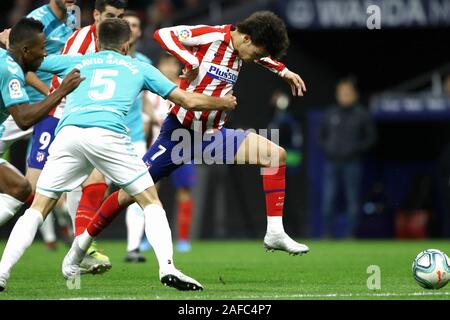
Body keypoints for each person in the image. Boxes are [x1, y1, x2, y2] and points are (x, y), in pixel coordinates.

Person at [0, 18, 236, 292]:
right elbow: (187, 100)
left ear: (98, 42)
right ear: (126, 46)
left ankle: (3, 273)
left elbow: (33, 62)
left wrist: (10, 43)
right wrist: (223, 102)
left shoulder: (78, 60)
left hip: (69, 134)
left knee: (39, 208)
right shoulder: (139, 67)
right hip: (109, 135)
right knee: (150, 202)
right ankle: (167, 267)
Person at [84, 11, 309, 256]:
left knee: (275, 155)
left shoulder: (242, 47)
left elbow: (261, 56)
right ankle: (82, 243)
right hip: (178, 135)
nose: (254, 59)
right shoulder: (210, 36)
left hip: (212, 137)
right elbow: (163, 34)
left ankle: (275, 232)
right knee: (128, 194)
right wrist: (189, 61)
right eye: (255, 53)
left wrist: (284, 71)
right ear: (246, 39)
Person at [0, 0, 77, 250]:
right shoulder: (11, 70)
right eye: (42, 49)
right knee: (23, 187)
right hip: (29, 110)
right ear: (24, 50)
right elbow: (22, 119)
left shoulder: (9, 60)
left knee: (21, 187)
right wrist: (58, 91)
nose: (45, 54)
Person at [146, 53, 197, 253]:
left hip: (182, 148)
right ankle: (145, 238)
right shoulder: (150, 90)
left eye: (172, 64)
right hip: (154, 148)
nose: (168, 68)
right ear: (158, 66)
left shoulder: (186, 89)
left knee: (184, 191)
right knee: (147, 193)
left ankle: (183, 239)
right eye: (164, 63)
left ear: (178, 68)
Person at [318, 77, 376, 238]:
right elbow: (321, 136)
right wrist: (329, 149)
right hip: (332, 162)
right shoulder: (330, 113)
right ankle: (327, 234)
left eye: (348, 93)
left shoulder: (362, 114)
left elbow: (370, 138)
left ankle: (351, 235)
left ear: (355, 95)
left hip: (352, 163)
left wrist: (355, 150)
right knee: (328, 199)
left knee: (353, 201)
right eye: (342, 93)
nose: (345, 96)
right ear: (337, 95)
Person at [122, 10, 152, 263]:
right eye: (127, 25)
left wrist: (157, 117)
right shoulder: (105, 59)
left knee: (138, 192)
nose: (131, 29)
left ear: (140, 31)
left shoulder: (143, 61)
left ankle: (133, 248)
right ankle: (81, 245)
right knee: (88, 190)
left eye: (135, 25)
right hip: (102, 134)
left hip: (136, 139)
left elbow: (147, 102)